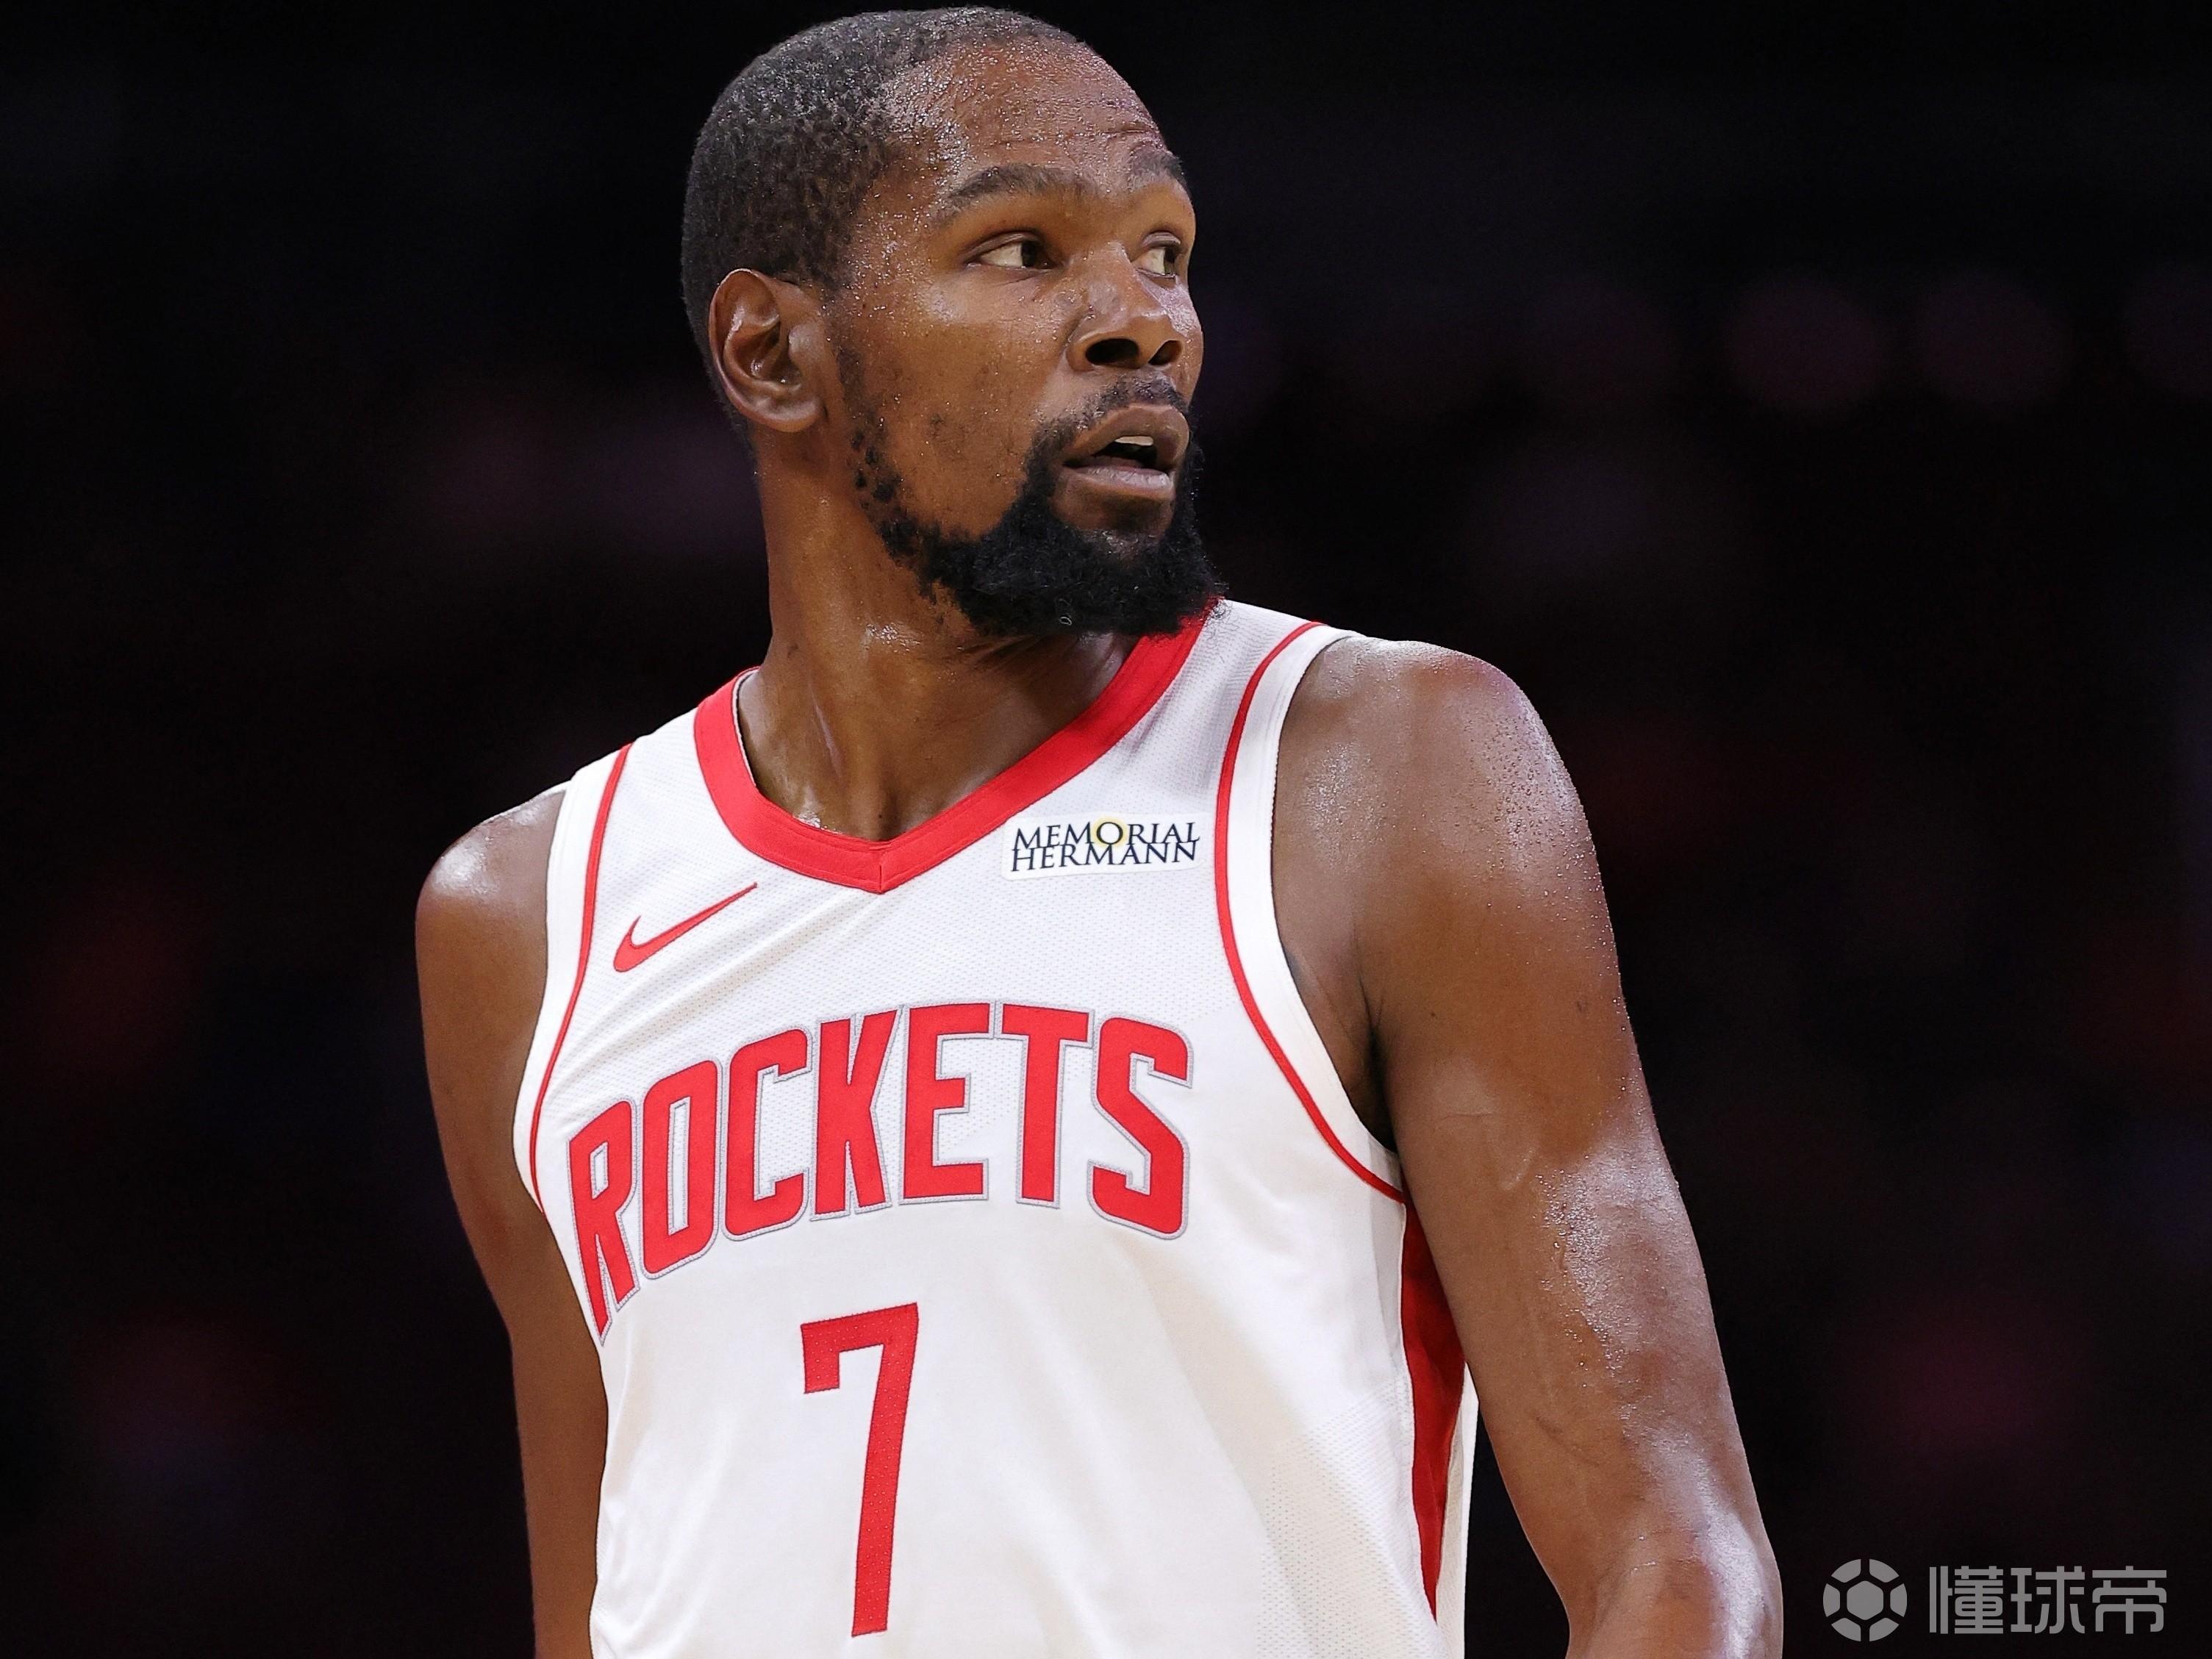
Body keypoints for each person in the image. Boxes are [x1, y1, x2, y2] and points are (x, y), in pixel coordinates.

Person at [415, 10, 1782, 1656]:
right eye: (1021, 249)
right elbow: (594, 1604)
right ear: (773, 356)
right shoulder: (527, 916)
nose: (1145, 319)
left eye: (1163, 250)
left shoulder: (1374, 771)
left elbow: (1669, 1555)